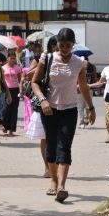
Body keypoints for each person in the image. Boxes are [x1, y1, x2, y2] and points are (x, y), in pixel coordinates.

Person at [32, 28, 96, 203]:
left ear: (73, 45)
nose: (65, 48)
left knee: (64, 147)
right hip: (49, 110)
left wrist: (91, 108)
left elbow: (83, 87)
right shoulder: (48, 58)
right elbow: (34, 82)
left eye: (68, 45)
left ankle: (61, 186)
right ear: (57, 44)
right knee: (51, 148)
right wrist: (43, 100)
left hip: (69, 110)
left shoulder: (79, 63)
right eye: (62, 45)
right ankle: (53, 180)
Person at [25, 35, 58, 179]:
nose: (59, 49)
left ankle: (55, 166)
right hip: (44, 100)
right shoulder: (40, 59)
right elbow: (28, 76)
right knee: (45, 138)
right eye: (56, 46)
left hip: (60, 101)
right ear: (51, 46)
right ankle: (47, 167)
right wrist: (43, 64)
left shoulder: (66, 59)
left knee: (56, 138)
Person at [1, 52, 21, 137]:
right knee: (5, 109)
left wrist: (21, 91)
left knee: (14, 110)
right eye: (11, 58)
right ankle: (5, 126)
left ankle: (11, 130)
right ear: (7, 58)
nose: (12, 60)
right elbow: (1, 79)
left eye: (14, 58)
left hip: (15, 89)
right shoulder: (3, 68)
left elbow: (20, 80)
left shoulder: (17, 68)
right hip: (6, 90)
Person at [77, 55, 98, 129]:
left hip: (89, 89)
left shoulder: (92, 67)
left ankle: (86, 119)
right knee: (80, 106)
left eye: (86, 60)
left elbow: (95, 77)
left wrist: (96, 87)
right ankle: (81, 122)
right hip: (79, 90)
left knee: (88, 106)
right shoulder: (78, 67)